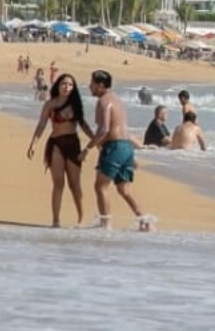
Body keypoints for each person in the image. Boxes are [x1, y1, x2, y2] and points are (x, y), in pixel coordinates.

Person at [82, 69, 150, 231]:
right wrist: (130, 155)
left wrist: (87, 148)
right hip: (126, 146)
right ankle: (144, 220)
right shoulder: (118, 101)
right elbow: (122, 129)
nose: (89, 86)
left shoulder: (103, 101)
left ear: (100, 85)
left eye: (92, 83)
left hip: (114, 147)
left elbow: (104, 129)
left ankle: (105, 224)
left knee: (101, 186)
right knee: (124, 189)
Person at [26, 72, 94, 228]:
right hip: (56, 143)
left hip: (73, 144)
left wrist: (95, 140)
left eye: (70, 85)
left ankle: (81, 219)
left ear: (73, 88)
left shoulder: (75, 104)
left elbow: (83, 125)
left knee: (74, 184)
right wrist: (33, 144)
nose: (66, 87)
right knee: (58, 183)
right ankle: (56, 220)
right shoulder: (50, 104)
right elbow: (41, 124)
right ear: (58, 85)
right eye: (64, 83)